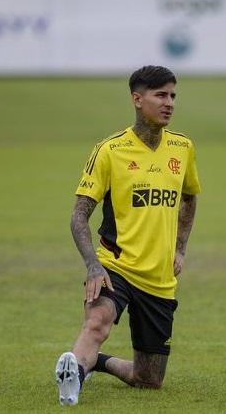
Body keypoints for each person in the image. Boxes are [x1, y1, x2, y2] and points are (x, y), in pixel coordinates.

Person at [54, 65, 200, 406]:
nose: (170, 103)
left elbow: (190, 196)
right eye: (160, 95)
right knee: (98, 323)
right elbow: (79, 215)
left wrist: (180, 248)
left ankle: (94, 363)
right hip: (114, 264)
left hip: (159, 278)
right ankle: (71, 375)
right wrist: (93, 265)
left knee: (148, 379)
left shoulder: (183, 148)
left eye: (173, 96)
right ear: (137, 99)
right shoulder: (110, 150)